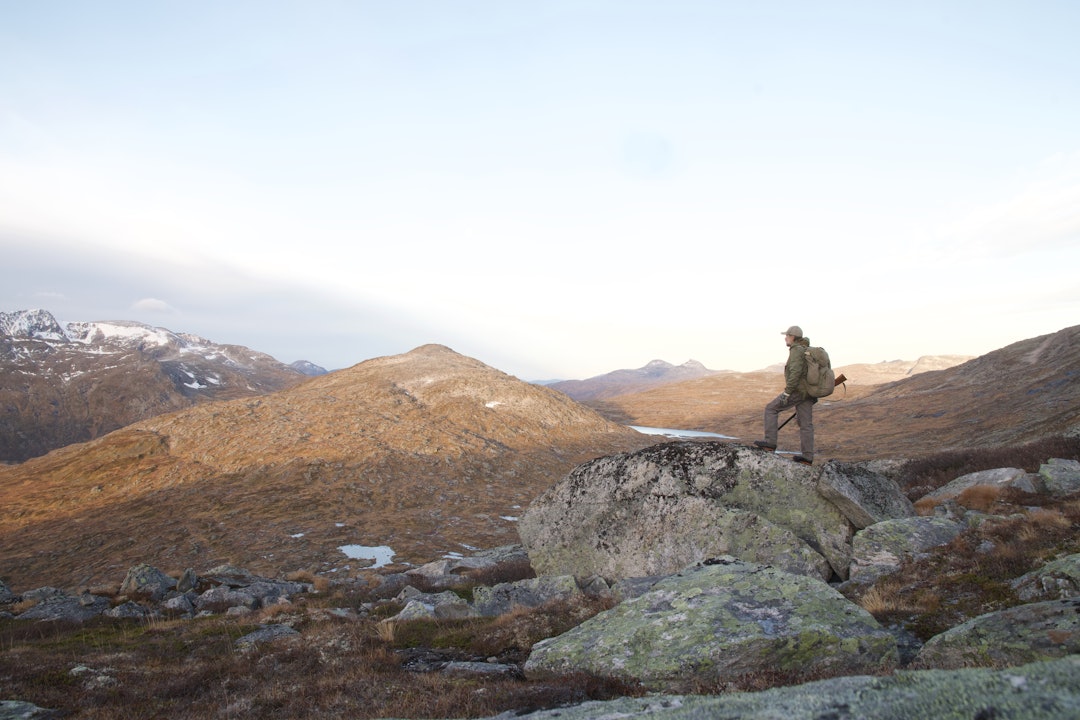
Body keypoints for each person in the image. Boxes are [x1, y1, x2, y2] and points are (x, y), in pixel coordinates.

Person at [754, 325, 815, 465]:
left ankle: (770, 443)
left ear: (792, 337)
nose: (785, 339)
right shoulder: (806, 350)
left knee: (771, 408)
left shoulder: (796, 350)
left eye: (786, 336)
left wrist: (787, 392)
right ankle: (807, 458)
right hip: (808, 393)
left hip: (798, 391)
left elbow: (795, 373)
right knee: (806, 424)